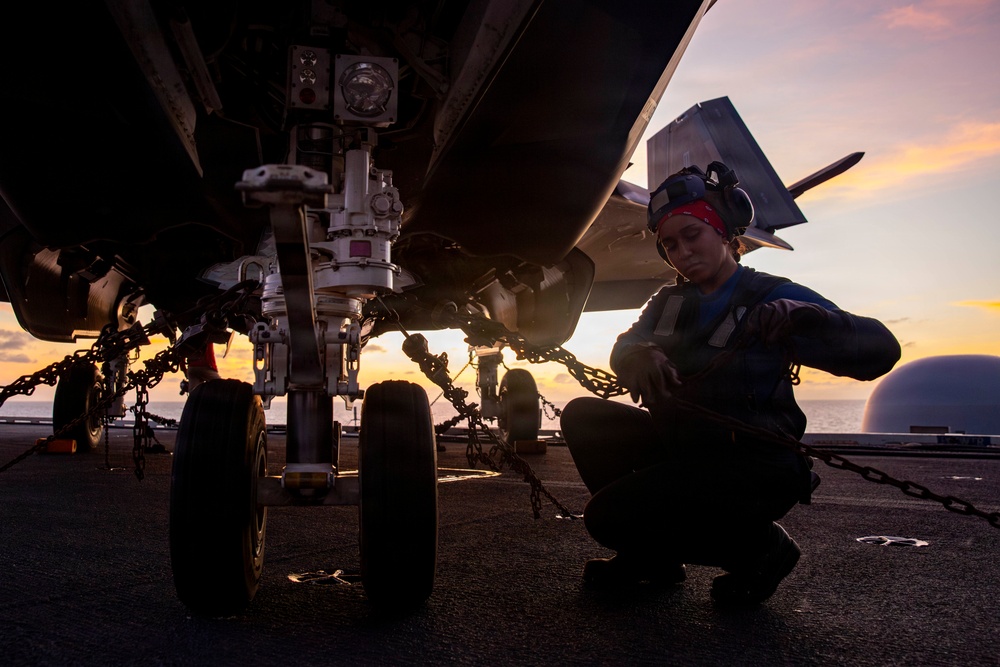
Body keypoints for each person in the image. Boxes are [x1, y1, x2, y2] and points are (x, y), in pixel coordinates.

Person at [560, 162, 900, 604]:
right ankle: (652, 559)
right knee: (585, 417)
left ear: (723, 233)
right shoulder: (670, 301)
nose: (682, 251)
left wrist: (816, 321)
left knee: (607, 518)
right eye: (670, 244)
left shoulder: (772, 294)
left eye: (692, 235)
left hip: (752, 465)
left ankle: (760, 550)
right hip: (689, 450)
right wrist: (637, 354)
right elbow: (629, 342)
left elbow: (881, 352)